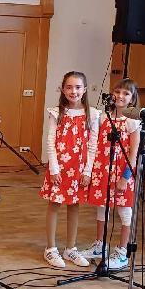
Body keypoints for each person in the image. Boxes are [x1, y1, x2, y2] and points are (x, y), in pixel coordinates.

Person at [40, 72, 97, 268]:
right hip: (60, 168)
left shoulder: (93, 114)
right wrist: (54, 168)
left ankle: (70, 248)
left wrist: (88, 171)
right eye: (69, 87)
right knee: (54, 205)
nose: (74, 91)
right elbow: (50, 142)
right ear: (63, 90)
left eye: (78, 87)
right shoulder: (56, 112)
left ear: (85, 89)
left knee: (74, 205)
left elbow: (92, 145)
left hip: (79, 169)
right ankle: (50, 248)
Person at [81, 79, 141, 270]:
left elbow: (133, 153)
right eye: (118, 92)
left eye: (126, 93)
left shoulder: (133, 122)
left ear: (132, 99)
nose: (121, 96)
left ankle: (122, 251)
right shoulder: (102, 117)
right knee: (102, 208)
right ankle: (100, 245)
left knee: (124, 212)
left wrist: (125, 177)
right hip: (103, 170)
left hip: (122, 174)